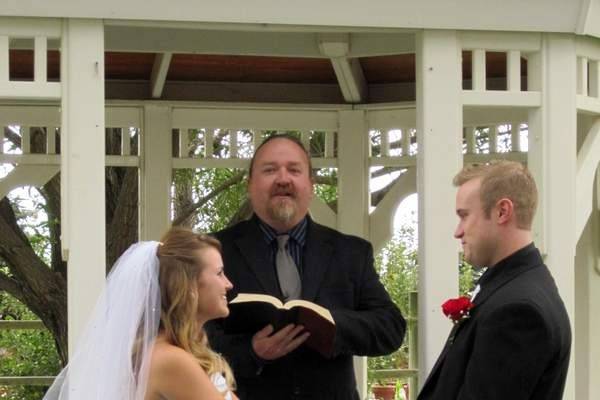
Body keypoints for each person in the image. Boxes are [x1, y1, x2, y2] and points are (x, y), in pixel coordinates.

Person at [206, 134, 406, 400]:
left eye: (294, 169)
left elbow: (390, 329)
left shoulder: (351, 252)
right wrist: (251, 351)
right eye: (270, 170)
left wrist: (332, 326)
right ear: (250, 185)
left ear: (311, 185)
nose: (283, 179)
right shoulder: (216, 251)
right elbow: (194, 335)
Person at [417, 161, 571, 400]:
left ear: (502, 211)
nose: (457, 231)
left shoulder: (519, 311)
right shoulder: (513, 285)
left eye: (464, 216)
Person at [44, 227, 239, 400]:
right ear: (189, 286)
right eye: (219, 273)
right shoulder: (172, 361)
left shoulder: (169, 352)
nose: (228, 284)